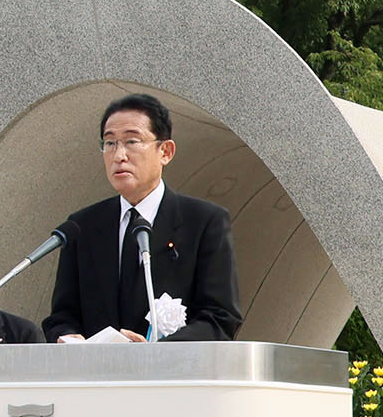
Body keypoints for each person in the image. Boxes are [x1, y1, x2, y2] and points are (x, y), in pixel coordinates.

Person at [41, 93, 240, 343]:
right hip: (97, 376)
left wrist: (156, 353)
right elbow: (62, 315)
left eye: (131, 141)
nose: (118, 155)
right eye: (110, 143)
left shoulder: (204, 222)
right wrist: (66, 336)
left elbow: (220, 318)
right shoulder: (82, 226)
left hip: (170, 377)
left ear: (165, 151)